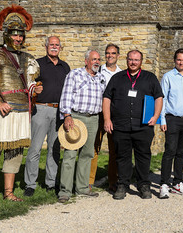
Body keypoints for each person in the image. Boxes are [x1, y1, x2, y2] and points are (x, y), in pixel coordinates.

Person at [0, 4, 43, 205]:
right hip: (1, 113)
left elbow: (28, 84)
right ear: (6, 35)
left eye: (21, 35)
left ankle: (8, 192)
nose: (18, 39)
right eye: (15, 35)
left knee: (14, 155)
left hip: (21, 113)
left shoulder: (28, 59)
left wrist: (34, 90)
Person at [103, 49, 164, 200]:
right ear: (126, 60)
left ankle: (143, 185)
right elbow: (106, 98)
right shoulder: (117, 78)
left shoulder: (150, 78)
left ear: (141, 61)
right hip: (121, 126)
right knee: (122, 157)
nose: (133, 62)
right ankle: (122, 184)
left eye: (136, 60)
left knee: (143, 156)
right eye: (131, 59)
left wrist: (156, 116)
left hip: (143, 126)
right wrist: (107, 119)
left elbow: (159, 97)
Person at [24, 36, 70, 197]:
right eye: (52, 44)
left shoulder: (65, 67)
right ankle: (30, 184)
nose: (54, 47)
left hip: (59, 111)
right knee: (35, 148)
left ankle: (51, 183)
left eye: (57, 45)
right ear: (46, 47)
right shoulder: (38, 64)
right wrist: (33, 89)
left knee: (54, 148)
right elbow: (27, 82)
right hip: (41, 109)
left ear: (61, 48)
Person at [57, 50, 105, 203]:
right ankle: (65, 191)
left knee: (87, 154)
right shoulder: (75, 74)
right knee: (70, 154)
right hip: (76, 117)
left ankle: (82, 188)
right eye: (93, 59)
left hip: (93, 118)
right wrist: (67, 115)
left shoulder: (101, 78)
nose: (96, 62)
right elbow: (66, 94)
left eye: (98, 59)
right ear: (86, 61)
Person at [158, 48, 183, 199]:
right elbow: (163, 99)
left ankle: (178, 183)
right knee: (170, 151)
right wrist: (162, 119)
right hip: (172, 119)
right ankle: (164, 184)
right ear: (175, 60)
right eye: (179, 59)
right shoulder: (168, 77)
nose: (181, 62)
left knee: (181, 153)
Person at [89, 43, 121, 192]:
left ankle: (113, 181)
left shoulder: (122, 74)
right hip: (98, 112)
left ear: (118, 56)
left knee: (114, 149)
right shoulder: (97, 71)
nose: (110, 56)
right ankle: (88, 181)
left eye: (113, 53)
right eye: (107, 53)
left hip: (115, 114)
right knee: (94, 147)